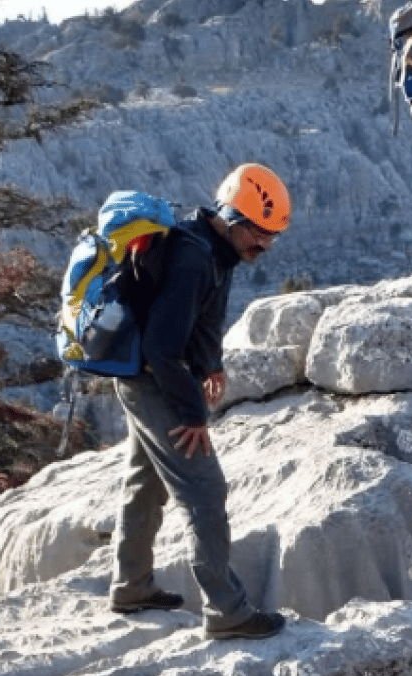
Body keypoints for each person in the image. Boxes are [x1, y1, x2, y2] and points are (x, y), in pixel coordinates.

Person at [108, 163, 290, 641]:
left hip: (144, 378)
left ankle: (131, 586)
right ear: (232, 216)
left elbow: (203, 315)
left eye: (272, 235)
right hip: (153, 380)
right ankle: (226, 609)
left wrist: (211, 363)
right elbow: (162, 350)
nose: (265, 245)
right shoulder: (193, 259)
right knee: (205, 493)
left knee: (145, 482)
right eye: (259, 232)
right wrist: (192, 415)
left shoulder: (214, 247)